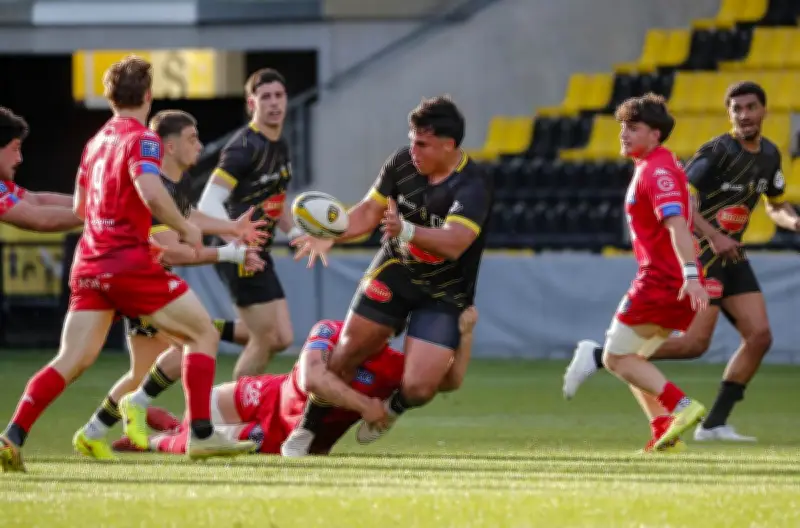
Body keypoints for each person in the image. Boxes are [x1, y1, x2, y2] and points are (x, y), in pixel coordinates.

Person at [0, 56, 255, 473]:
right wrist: (185, 229)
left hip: (88, 265)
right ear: (149, 97)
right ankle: (203, 434)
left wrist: (108, 216)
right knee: (202, 333)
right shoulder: (143, 140)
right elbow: (151, 192)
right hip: (127, 263)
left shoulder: (94, 143)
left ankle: (12, 436)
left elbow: (82, 208)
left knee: (71, 360)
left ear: (110, 96)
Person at [563, 82, 798, 443]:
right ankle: (609, 361)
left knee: (760, 336)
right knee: (693, 344)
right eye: (737, 109)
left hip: (730, 255)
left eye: (751, 107)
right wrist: (713, 238)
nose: (744, 115)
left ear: (764, 111)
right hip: (702, 254)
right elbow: (682, 198)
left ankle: (713, 422)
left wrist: (794, 222)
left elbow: (774, 205)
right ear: (729, 114)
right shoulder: (717, 151)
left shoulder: (769, 155)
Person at [284, 95, 493, 456]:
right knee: (347, 351)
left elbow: (456, 242)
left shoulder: (473, 185)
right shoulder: (401, 163)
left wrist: (406, 230)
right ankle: (307, 430)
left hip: (444, 291)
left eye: (423, 144)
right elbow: (367, 213)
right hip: (396, 271)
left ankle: (393, 410)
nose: (413, 150)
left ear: (449, 145)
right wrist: (331, 232)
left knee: (419, 388)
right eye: (412, 139)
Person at [72, 109, 267, 460]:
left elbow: (189, 216)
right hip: (140, 287)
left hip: (141, 285)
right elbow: (173, 253)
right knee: (198, 337)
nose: (201, 145)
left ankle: (94, 430)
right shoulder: (153, 188)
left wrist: (230, 229)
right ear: (170, 146)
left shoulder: (174, 185)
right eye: (193, 138)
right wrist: (230, 255)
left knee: (146, 369)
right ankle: (196, 430)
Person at [113, 307, 477, 456]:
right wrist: (365, 405)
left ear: (390, 333)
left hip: (280, 436)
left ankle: (157, 439)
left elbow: (447, 383)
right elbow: (310, 376)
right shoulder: (330, 330)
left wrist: (464, 335)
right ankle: (171, 424)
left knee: (204, 443)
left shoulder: (393, 366)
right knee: (203, 415)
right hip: (265, 396)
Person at [567, 93, 709, 453]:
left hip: (662, 281)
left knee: (615, 358)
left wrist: (691, 275)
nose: (624, 134)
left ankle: (680, 406)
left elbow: (677, 225)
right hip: (672, 280)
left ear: (656, 134)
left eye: (634, 128)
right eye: (622, 127)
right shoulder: (657, 165)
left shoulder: (657, 170)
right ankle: (664, 429)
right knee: (632, 359)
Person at [197, 68, 296, 379]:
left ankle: (201, 330)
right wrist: (237, 244)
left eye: (278, 95)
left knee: (282, 338)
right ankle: (231, 416)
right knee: (265, 337)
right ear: (251, 104)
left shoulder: (280, 145)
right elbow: (207, 203)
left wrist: (295, 234)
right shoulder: (244, 147)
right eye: (265, 97)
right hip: (237, 249)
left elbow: (275, 201)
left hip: (257, 248)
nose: (274, 103)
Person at [0, 107, 83, 231]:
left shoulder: (2, 186)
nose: (19, 158)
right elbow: (38, 218)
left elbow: (36, 201)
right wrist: (100, 213)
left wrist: (96, 203)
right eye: (15, 149)